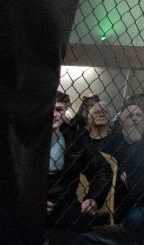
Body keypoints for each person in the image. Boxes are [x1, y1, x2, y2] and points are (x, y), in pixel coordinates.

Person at [47, 93, 112, 233]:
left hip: (65, 202)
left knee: (80, 233)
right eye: (48, 109)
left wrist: (93, 199)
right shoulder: (21, 139)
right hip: (27, 203)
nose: (53, 114)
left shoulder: (75, 139)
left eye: (59, 110)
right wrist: (26, 199)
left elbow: (102, 169)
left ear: (65, 111)